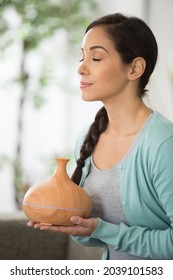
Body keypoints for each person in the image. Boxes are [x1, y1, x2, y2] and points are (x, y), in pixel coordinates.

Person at [27, 13, 173, 260]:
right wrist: (69, 220)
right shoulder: (87, 138)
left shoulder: (162, 144)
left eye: (95, 57)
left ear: (135, 68)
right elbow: (96, 236)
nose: (81, 68)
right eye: (82, 57)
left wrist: (107, 231)